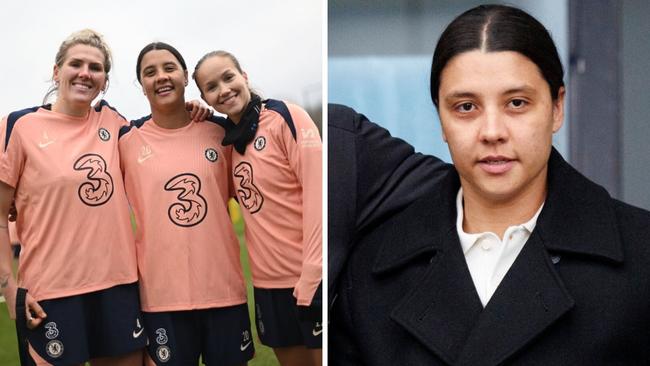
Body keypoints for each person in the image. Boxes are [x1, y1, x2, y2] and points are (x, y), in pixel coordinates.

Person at [329, 4, 650, 365]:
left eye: (516, 103)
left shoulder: (640, 255)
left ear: (557, 107)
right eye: (466, 107)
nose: (492, 132)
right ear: (440, 118)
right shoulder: (372, 274)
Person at [0, 29, 146, 366]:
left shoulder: (115, 123)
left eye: (95, 67)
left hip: (118, 288)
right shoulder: (19, 126)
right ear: (56, 72)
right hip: (49, 293)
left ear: (105, 81)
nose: (85, 72)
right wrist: (9, 291)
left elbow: (164, 135)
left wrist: (196, 110)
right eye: (75, 64)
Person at [119, 42, 253, 366]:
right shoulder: (125, 140)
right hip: (161, 298)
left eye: (169, 68)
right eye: (149, 72)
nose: (161, 77)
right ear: (141, 85)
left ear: (184, 76)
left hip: (223, 291)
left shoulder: (222, 133)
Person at [193, 50, 323, 366]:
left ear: (244, 77)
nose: (223, 90)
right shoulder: (228, 144)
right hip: (268, 288)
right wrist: (193, 116)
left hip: (310, 278)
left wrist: (315, 271)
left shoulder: (285, 117)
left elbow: (319, 195)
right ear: (205, 98)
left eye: (228, 77)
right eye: (211, 87)